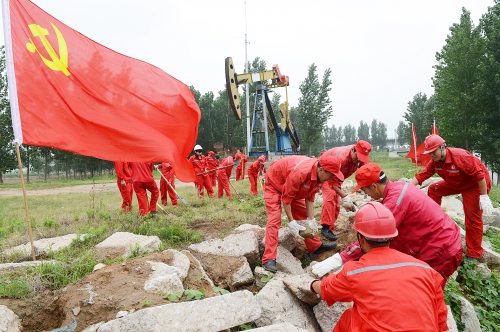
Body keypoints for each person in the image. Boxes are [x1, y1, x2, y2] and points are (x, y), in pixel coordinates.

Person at [313, 162, 463, 288]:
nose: (367, 195)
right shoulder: (397, 188)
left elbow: (374, 238)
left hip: (441, 251)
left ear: (374, 186)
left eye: (364, 190)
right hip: (438, 242)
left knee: (425, 293)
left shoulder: (395, 202)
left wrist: (340, 258)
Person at [309, 202, 449, 332]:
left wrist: (311, 284)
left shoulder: (356, 272)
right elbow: (441, 321)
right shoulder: (426, 270)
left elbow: (327, 289)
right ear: (392, 237)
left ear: (361, 239)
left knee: (349, 317)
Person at [409, 134, 493, 260]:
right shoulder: (435, 162)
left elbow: (479, 176)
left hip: (474, 185)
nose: (432, 155)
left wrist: (484, 196)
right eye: (429, 153)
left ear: (443, 147)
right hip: (456, 182)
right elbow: (421, 176)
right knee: (434, 189)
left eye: (434, 151)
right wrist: (404, 189)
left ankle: (474, 253)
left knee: (472, 218)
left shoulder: (460, 157)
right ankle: (433, 220)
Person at [262, 154, 344, 273]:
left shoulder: (321, 175)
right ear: (321, 170)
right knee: (274, 219)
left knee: (302, 213)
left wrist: (311, 219)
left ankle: (315, 247)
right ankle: (268, 258)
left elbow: (310, 195)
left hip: (292, 188)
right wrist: (292, 222)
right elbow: (286, 198)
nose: (331, 178)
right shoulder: (300, 173)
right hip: (274, 184)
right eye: (331, 175)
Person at [319, 140, 372, 241]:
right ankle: (326, 229)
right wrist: (344, 196)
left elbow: (365, 173)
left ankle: (330, 228)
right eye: (358, 157)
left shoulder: (361, 158)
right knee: (331, 196)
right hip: (326, 172)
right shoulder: (341, 159)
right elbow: (331, 182)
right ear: (353, 150)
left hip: (338, 176)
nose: (359, 160)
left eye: (362, 159)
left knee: (336, 203)